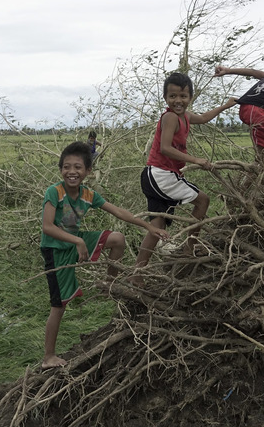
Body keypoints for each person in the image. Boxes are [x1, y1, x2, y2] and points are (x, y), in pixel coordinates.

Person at [40, 141, 169, 369]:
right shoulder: (55, 192)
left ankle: (110, 284)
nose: (72, 172)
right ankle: (48, 356)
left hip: (74, 241)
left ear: (88, 171)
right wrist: (78, 240)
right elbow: (48, 227)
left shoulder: (88, 194)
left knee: (117, 239)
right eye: (67, 167)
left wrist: (148, 227)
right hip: (56, 250)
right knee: (59, 305)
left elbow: (119, 212)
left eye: (78, 167)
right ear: (60, 169)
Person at [134, 72, 237, 285]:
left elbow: (205, 118)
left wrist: (225, 106)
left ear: (190, 96)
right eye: (172, 96)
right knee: (203, 200)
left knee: (157, 227)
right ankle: (190, 248)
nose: (178, 101)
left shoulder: (186, 116)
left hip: (153, 175)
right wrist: (196, 160)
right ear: (165, 98)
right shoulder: (170, 117)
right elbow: (165, 148)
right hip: (160, 174)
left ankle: (137, 275)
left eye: (183, 96)